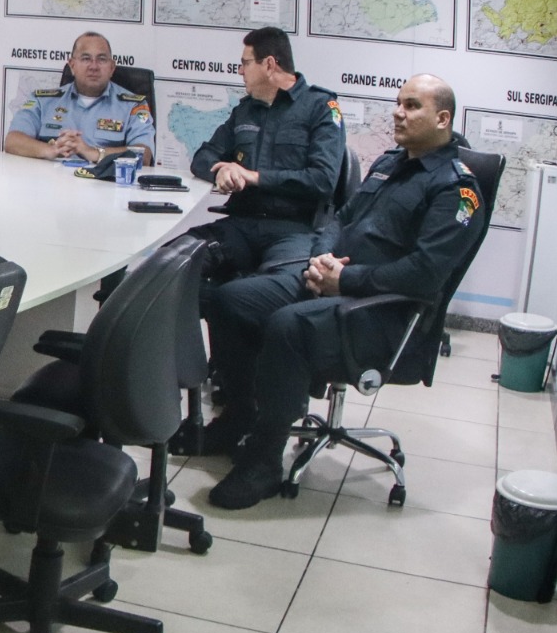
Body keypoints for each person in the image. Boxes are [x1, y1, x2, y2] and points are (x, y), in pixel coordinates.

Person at [203, 75, 482, 510]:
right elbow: (339, 218)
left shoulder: (456, 189)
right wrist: (320, 260)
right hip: (330, 282)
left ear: (442, 118)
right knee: (230, 299)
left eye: (412, 106)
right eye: (397, 103)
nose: (398, 112)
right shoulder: (390, 163)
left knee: (285, 325)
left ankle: (263, 462)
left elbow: (424, 274)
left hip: (379, 314)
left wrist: (344, 281)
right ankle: (241, 414)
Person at [178, 26, 345, 453]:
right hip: (241, 226)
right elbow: (202, 155)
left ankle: (246, 407)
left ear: (269, 65)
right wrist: (220, 169)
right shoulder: (246, 111)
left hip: (293, 232)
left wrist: (254, 175)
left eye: (245, 62)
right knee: (169, 268)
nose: (240, 70)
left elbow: (323, 180)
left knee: (248, 298)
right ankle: (209, 392)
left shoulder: (321, 108)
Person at [4, 32, 153, 165]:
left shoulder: (133, 105)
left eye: (101, 59)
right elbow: (13, 141)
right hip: (51, 188)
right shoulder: (43, 101)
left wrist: (94, 153)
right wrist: (51, 150)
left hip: (106, 188)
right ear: (72, 65)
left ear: (112, 67)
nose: (93, 66)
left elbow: (144, 155)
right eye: (86, 58)